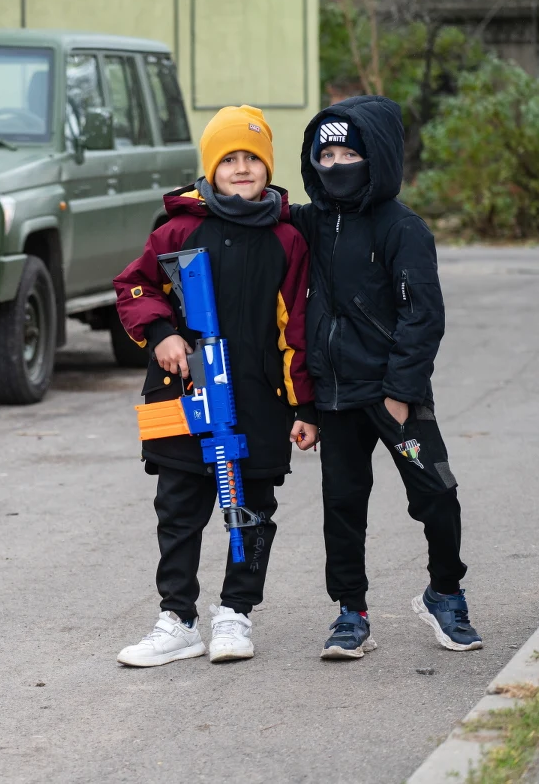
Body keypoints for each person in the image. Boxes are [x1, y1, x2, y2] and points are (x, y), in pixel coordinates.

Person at [113, 105, 318, 666]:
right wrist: (161, 334)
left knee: (251, 508)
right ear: (211, 167)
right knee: (178, 507)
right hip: (181, 393)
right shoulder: (179, 228)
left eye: (252, 157)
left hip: (255, 399)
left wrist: (304, 405)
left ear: (268, 168)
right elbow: (136, 287)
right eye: (229, 158)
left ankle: (236, 614)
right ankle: (177, 619)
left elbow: (295, 328)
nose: (242, 167)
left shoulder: (286, 240)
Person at [289, 96, 483, 660]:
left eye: (350, 151)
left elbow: (424, 316)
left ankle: (445, 592)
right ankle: (351, 613)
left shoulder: (404, 229)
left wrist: (400, 393)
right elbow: (248, 215)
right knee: (342, 506)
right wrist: (305, 407)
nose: (336, 163)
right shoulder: (307, 223)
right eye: (325, 153)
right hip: (334, 397)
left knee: (437, 494)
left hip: (396, 398)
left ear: (375, 158)